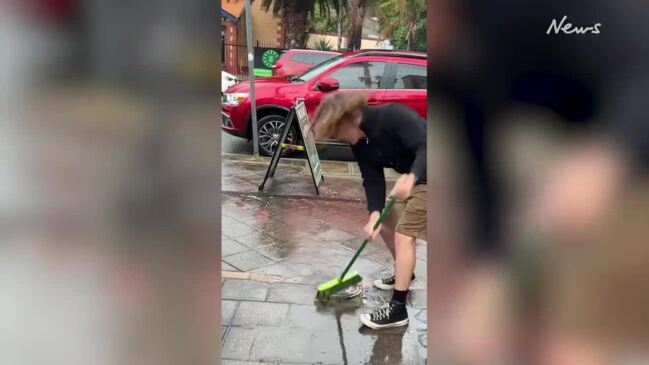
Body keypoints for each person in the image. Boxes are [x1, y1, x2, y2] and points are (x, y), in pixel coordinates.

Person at [313, 92, 427, 329]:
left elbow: (426, 146)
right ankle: (404, 273)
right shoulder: (360, 145)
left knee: (404, 234)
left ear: (351, 118)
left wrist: (413, 176)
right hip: (414, 179)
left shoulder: (394, 116)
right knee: (385, 223)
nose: (340, 139)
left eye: (338, 132)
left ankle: (398, 310)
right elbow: (372, 180)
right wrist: (374, 213)